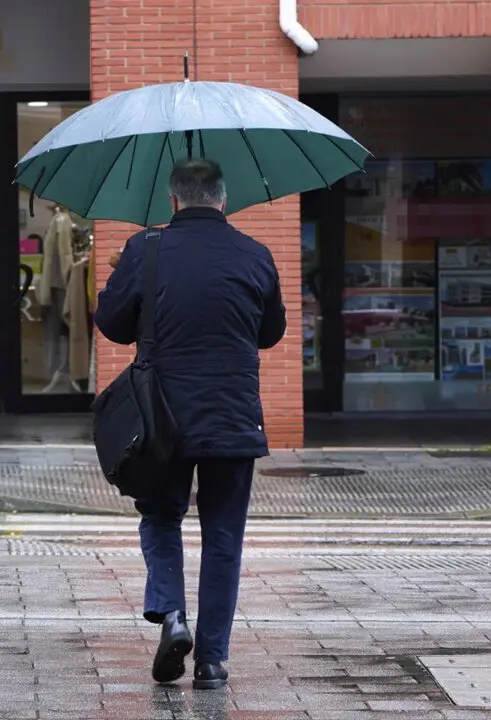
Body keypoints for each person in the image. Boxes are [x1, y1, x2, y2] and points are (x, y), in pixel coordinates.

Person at [94, 158, 287, 689]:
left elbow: (112, 325)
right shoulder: (256, 255)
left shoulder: (145, 250)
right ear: (223, 201)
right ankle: (211, 661)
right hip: (232, 415)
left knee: (160, 515)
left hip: (162, 418)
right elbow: (269, 333)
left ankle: (172, 615)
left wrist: (123, 281)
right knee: (224, 536)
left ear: (173, 201)